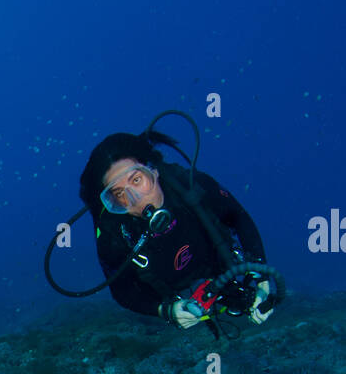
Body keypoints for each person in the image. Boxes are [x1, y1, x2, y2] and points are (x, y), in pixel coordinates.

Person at [79, 131, 274, 329]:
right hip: (172, 291)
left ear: (153, 171)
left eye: (137, 180)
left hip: (217, 265)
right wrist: (167, 310)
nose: (135, 199)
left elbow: (238, 216)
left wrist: (261, 278)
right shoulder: (113, 234)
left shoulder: (191, 186)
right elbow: (122, 291)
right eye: (120, 193)